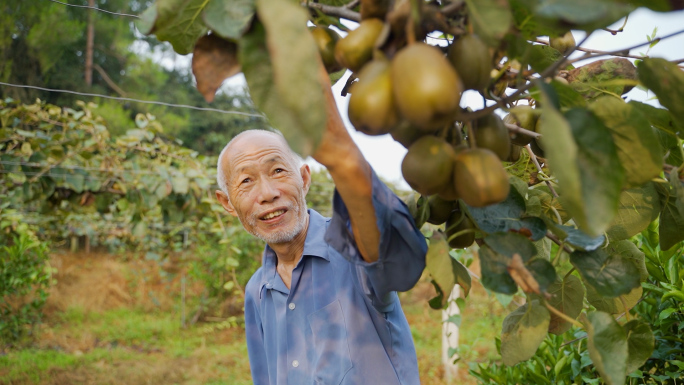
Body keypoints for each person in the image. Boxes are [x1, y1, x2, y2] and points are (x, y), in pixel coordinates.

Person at [215, 68, 427, 385]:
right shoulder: (256, 292)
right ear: (228, 202)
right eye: (246, 181)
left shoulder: (352, 251)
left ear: (303, 178)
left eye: (277, 171)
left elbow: (387, 248)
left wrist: (339, 150)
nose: (268, 193)